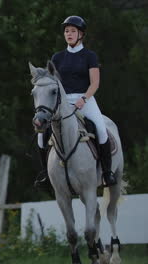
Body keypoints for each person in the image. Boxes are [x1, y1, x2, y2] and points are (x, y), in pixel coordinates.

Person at [35, 15, 117, 187]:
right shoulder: (57, 57)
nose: (69, 34)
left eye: (73, 31)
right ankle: (45, 174)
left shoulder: (89, 56)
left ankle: (107, 173)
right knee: (41, 137)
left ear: (81, 34)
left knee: (101, 130)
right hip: (62, 103)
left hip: (85, 99)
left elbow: (95, 83)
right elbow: (52, 83)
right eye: (66, 31)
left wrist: (84, 98)